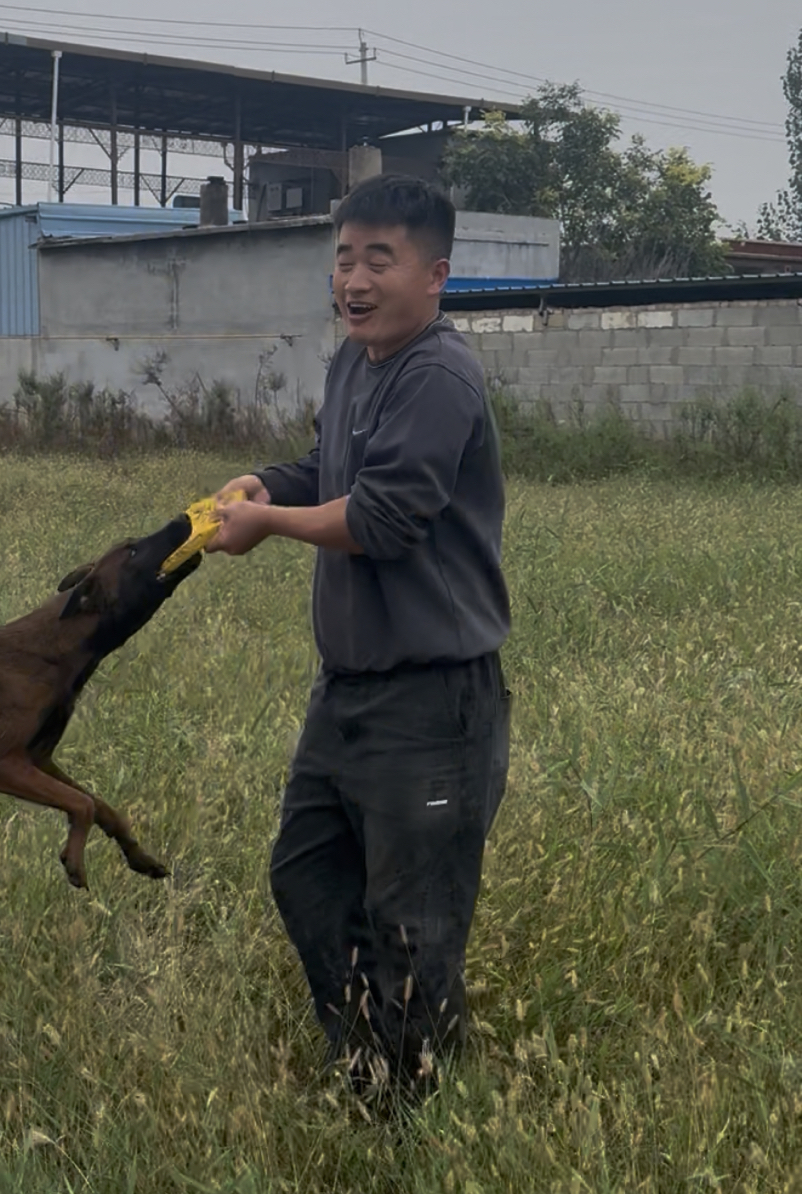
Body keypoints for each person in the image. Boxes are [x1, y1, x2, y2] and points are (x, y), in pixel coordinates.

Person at [205, 173, 512, 1099]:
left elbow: (380, 518)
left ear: (436, 275)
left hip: (431, 704)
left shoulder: (439, 376)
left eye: (381, 258)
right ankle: (369, 1057)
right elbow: (328, 469)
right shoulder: (355, 363)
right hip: (346, 694)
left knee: (411, 922)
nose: (356, 278)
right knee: (306, 877)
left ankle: (406, 1103)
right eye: (345, 256)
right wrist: (267, 484)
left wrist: (268, 528)